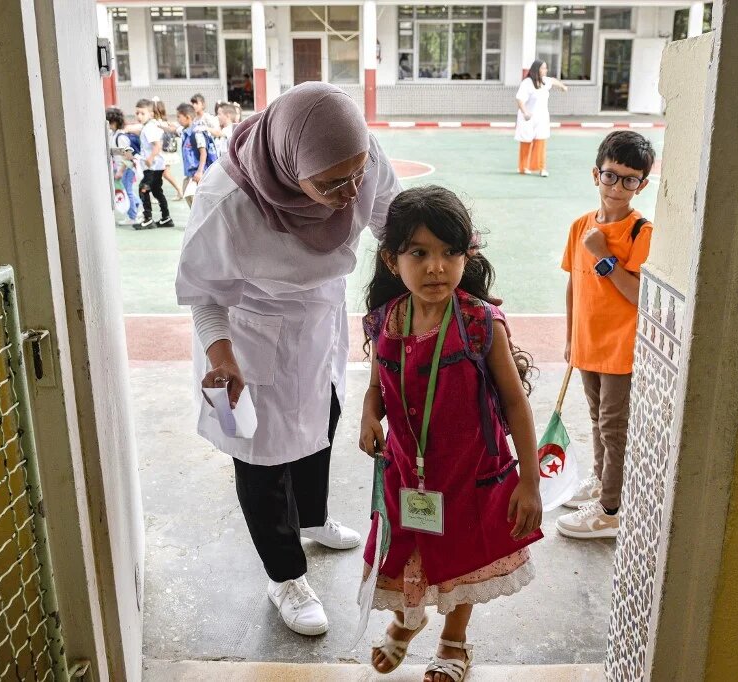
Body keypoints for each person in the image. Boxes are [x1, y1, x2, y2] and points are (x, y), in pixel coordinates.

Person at [174, 82, 402, 637]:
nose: (351, 191)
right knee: (261, 457)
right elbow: (204, 294)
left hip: (320, 318)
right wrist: (222, 355)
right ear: (289, 164)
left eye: (356, 173)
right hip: (250, 335)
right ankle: (285, 576)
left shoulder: (359, 156)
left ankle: (315, 518)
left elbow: (393, 221)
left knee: (321, 421)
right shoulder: (228, 201)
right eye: (331, 184)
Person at [358, 186, 543, 682]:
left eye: (449, 253)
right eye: (419, 253)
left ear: (467, 256)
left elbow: (515, 403)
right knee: (409, 553)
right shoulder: (386, 321)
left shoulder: (482, 324)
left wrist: (530, 481)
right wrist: (367, 415)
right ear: (392, 260)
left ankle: (453, 641)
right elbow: (376, 384)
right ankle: (405, 623)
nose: (436, 267)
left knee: (464, 558)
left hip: (472, 473)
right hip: (407, 473)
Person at [556, 130, 656, 539]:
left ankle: (611, 511)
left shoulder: (640, 232)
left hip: (620, 349)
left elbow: (638, 295)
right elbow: (573, 286)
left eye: (630, 179)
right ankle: (601, 482)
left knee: (614, 428)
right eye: (611, 176)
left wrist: (604, 255)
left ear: (642, 185)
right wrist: (570, 336)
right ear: (595, 175)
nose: (618, 187)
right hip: (588, 343)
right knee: (597, 420)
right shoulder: (581, 225)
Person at [515, 60, 568, 177]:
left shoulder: (545, 81)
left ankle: (541, 168)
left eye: (546, 68)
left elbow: (553, 80)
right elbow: (519, 99)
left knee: (541, 141)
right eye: (543, 68)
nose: (545, 70)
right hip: (527, 117)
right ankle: (523, 167)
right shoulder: (527, 83)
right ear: (536, 69)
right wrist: (525, 112)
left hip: (542, 117)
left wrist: (562, 86)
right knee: (526, 142)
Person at [134, 99, 172, 229]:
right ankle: (166, 217)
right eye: (137, 113)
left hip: (153, 166)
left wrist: (150, 158)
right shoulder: (149, 126)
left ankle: (148, 218)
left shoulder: (149, 128)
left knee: (143, 188)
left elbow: (157, 145)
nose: (139, 116)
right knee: (157, 191)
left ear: (150, 114)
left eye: (142, 113)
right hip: (156, 166)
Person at [105, 107, 140, 225]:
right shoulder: (115, 135)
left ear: (113, 122)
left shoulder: (121, 137)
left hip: (126, 168)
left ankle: (132, 216)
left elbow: (127, 156)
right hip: (124, 168)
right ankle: (136, 206)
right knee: (127, 190)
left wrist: (120, 170)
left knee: (127, 191)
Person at [176, 102, 216, 194]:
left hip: (198, 174)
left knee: (199, 202)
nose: (178, 119)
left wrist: (199, 171)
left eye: (179, 117)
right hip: (190, 174)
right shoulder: (185, 132)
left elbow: (203, 152)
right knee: (188, 197)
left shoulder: (197, 132)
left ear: (188, 117)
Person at [150, 98, 185, 201]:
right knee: (159, 174)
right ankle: (157, 194)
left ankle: (179, 190)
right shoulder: (164, 122)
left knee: (163, 173)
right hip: (163, 151)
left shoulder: (157, 123)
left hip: (161, 152)